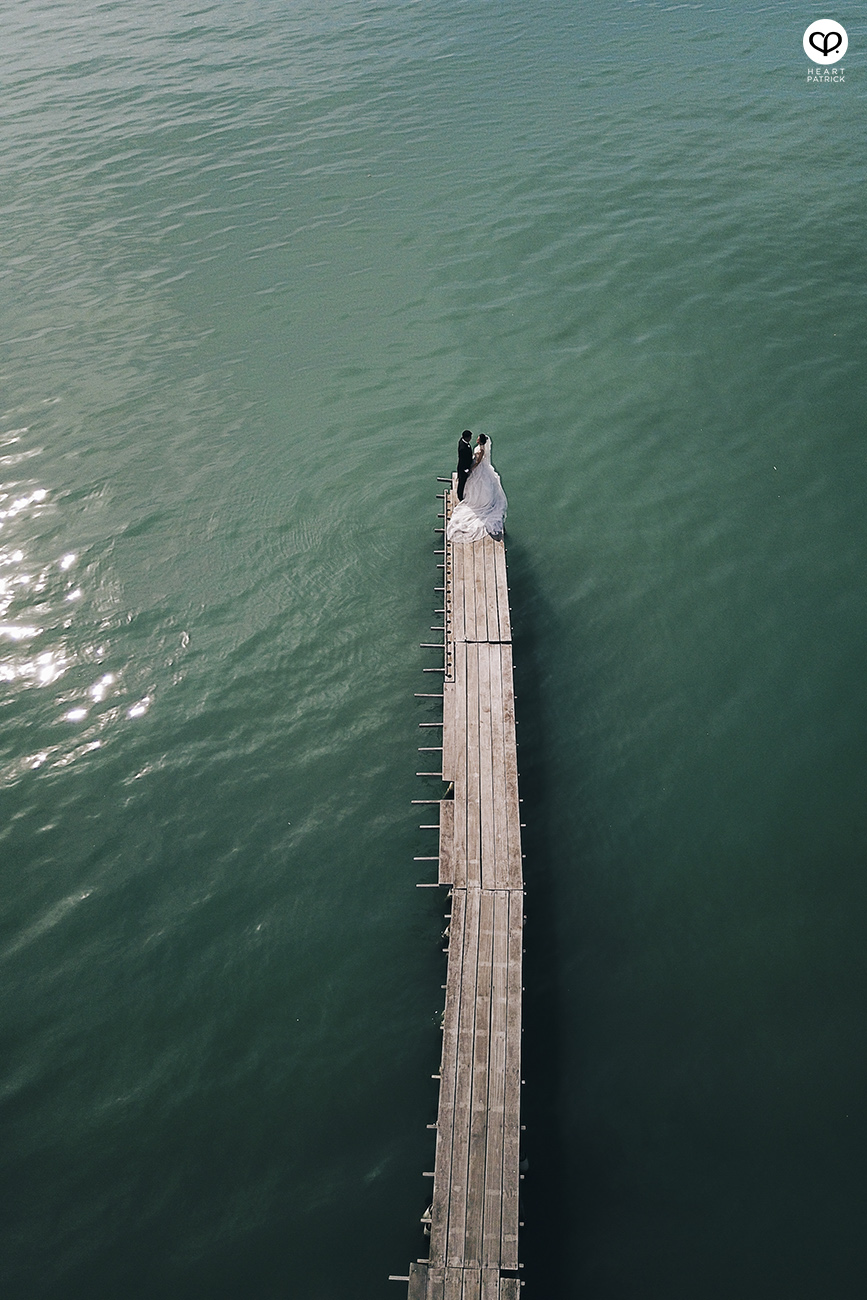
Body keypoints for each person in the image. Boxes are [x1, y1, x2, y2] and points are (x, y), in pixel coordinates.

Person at [447, 433, 507, 542]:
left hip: (477, 468)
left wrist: (471, 468)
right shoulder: (471, 446)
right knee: (471, 484)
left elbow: (478, 461)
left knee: (476, 484)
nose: (476, 438)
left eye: (478, 438)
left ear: (481, 441)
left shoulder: (481, 450)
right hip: (469, 467)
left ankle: (470, 498)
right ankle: (462, 495)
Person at [456, 429, 474, 500]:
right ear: (466, 438)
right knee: (462, 482)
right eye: (470, 437)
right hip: (463, 468)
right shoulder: (463, 448)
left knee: (463, 481)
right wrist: (466, 469)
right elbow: (462, 460)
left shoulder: (463, 441)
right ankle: (460, 496)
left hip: (465, 466)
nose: (470, 438)